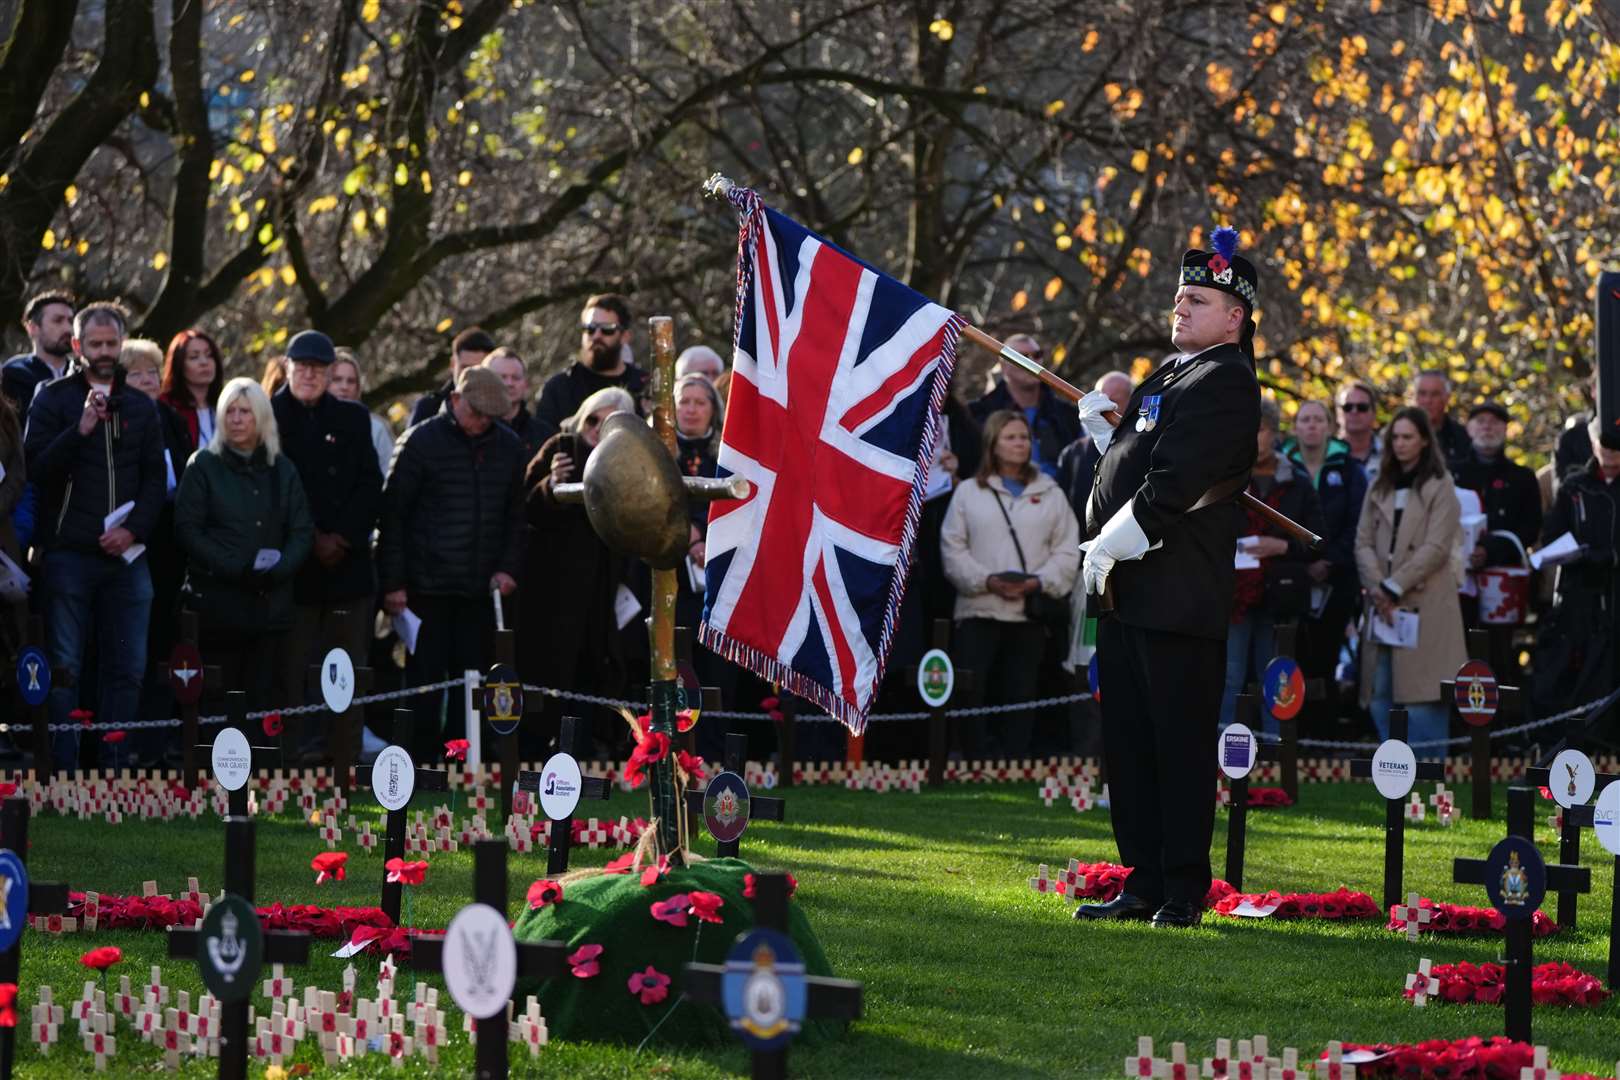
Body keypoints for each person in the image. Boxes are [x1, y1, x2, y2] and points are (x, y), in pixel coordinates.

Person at [1073, 227, 1261, 929]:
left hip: (1175, 591)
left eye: (1197, 299)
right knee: (1130, 744)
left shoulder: (1226, 380)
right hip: (1132, 590)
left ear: (1234, 316)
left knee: (1177, 746)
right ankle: (1144, 877)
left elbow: (1177, 483)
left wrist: (1113, 542)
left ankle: (1182, 888)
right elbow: (1141, 458)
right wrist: (1106, 438)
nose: (1179, 309)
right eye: (1179, 298)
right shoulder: (1173, 372)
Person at [23, 301, 165, 768]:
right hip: (69, 555)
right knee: (65, 666)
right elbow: (36, 470)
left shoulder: (143, 408)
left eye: (112, 343)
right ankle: (63, 768)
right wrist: (80, 429)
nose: (105, 352)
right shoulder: (52, 398)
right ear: (78, 345)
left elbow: (153, 481)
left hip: (126, 555)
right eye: (96, 344)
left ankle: (115, 764)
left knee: (128, 666)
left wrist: (132, 531)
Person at [378, 365, 525, 760]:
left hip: (480, 590)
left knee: (472, 683)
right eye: (475, 413)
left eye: (488, 418)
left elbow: (516, 517)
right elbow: (392, 518)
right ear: (456, 400)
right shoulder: (419, 443)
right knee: (424, 683)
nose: (481, 423)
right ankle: (419, 761)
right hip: (426, 589)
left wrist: (509, 568)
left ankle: (464, 758)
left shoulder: (509, 448)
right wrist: (393, 584)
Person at [270, 330, 385, 764]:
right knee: (292, 672)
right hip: (295, 568)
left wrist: (343, 538)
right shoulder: (270, 415)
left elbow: (370, 485)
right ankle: (289, 760)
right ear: (287, 368)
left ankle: (344, 758)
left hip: (346, 566)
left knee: (346, 673)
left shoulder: (354, 418)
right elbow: (275, 486)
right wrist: (311, 538)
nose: (309, 377)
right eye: (301, 368)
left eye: (318, 370)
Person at [940, 410, 1079, 758]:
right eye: (1011, 437)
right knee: (972, 690)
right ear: (993, 443)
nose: (1020, 444)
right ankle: (973, 759)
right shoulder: (969, 492)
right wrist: (985, 580)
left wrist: (1038, 583)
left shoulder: (1051, 493)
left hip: (1028, 615)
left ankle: (1014, 761)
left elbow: (1067, 550)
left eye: (1024, 437)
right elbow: (952, 547)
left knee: (1021, 692)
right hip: (978, 610)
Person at [175, 379, 314, 709]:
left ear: (261, 417)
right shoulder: (203, 466)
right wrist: (235, 568)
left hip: (270, 607)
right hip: (218, 606)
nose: (236, 419)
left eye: (245, 412)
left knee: (263, 704)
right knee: (219, 704)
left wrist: (278, 569)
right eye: (230, 411)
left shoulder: (282, 469)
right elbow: (188, 531)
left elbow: (301, 530)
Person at [520, 387, 637, 754]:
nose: (596, 428)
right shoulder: (561, 447)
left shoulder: (629, 460)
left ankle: (586, 752)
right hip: (553, 592)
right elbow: (526, 506)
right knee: (549, 673)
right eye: (592, 419)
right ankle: (537, 753)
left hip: (603, 592)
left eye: (609, 422)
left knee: (595, 674)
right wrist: (551, 484)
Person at [1354, 406, 1467, 753]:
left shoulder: (1441, 485)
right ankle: (1396, 768)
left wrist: (1393, 586)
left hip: (1425, 605)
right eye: (1395, 438)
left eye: (1408, 437)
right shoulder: (1379, 485)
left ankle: (1428, 777)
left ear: (1423, 442)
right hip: (1382, 606)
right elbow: (1363, 543)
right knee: (1378, 692)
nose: (1400, 444)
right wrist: (1379, 589)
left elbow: (1436, 547)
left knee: (1423, 698)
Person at [1219, 398, 1325, 733]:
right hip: (1233, 595)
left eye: (1260, 429)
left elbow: (1318, 541)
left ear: (1274, 432)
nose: (1254, 437)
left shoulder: (1296, 481)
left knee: (1277, 674)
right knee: (1230, 673)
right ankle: (1224, 748)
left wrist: (1282, 546)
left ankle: (1275, 750)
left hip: (1280, 597)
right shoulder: (1224, 479)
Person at [1281, 399, 1367, 736]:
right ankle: (1293, 733)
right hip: (1292, 577)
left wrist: (1329, 561)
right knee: (1294, 655)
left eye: (1319, 419)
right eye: (1305, 419)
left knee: (1327, 657)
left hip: (1338, 578)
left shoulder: (1348, 469)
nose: (1312, 426)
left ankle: (1326, 732)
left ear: (1329, 427)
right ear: (1296, 427)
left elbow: (1357, 523)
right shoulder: (1282, 465)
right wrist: (1303, 562)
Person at [1532, 418, 1620, 744]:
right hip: (1579, 597)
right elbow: (1553, 536)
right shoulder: (1575, 488)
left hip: (1613, 596)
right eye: (1605, 447)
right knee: (1566, 674)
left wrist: (1609, 556)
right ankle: (1561, 743)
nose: (1611, 455)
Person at [1452, 400, 1541, 684]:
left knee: (1499, 655)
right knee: (1458, 651)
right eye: (1480, 421)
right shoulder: (1450, 474)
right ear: (1468, 428)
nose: (1487, 427)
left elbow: (1530, 528)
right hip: (1456, 581)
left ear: (1505, 429)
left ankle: (1503, 720)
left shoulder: (1523, 478)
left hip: (1501, 585)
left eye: (1494, 422)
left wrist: (1489, 551)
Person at [533, 294, 648, 445]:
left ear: (625, 336)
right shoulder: (558, 389)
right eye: (590, 329)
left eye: (607, 330)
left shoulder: (644, 387)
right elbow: (543, 447)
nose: (596, 336)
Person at [967, 334, 1081, 479]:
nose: (1032, 362)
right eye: (1022, 357)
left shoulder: (1068, 414)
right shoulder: (977, 414)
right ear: (1003, 366)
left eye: (1037, 355)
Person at [1056, 370, 1133, 520]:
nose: (1105, 406)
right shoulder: (1074, 453)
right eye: (1101, 399)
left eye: (1115, 400)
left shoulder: (1142, 444)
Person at [407, 326, 496, 428]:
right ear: (453, 365)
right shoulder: (428, 408)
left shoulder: (502, 408)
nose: (471, 374)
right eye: (465, 367)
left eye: (478, 368)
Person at [2, 291, 75, 414]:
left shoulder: (82, 373)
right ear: (33, 328)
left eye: (70, 321)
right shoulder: (13, 374)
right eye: (58, 321)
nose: (68, 328)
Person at [328, 347, 396, 476]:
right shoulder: (311, 422)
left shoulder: (376, 428)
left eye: (351, 381)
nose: (344, 387)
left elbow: (389, 476)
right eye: (337, 379)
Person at [158, 329, 223, 458]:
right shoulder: (165, 408)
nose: (204, 362)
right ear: (178, 364)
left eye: (209, 355)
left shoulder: (226, 405)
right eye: (194, 357)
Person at [482, 346, 544, 461]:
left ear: (525, 383)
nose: (509, 383)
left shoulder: (544, 435)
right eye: (502, 377)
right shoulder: (473, 431)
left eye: (516, 377)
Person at [1409, 370, 1469, 471]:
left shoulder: (1462, 437)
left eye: (1435, 394)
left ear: (1447, 398)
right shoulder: (1399, 434)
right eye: (1422, 394)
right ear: (1415, 397)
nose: (1428, 400)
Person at [1336, 380, 1382, 485]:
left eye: (1362, 407)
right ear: (1338, 413)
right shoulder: (1326, 456)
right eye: (1347, 407)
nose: (1354, 412)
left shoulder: (1391, 453)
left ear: (1374, 413)